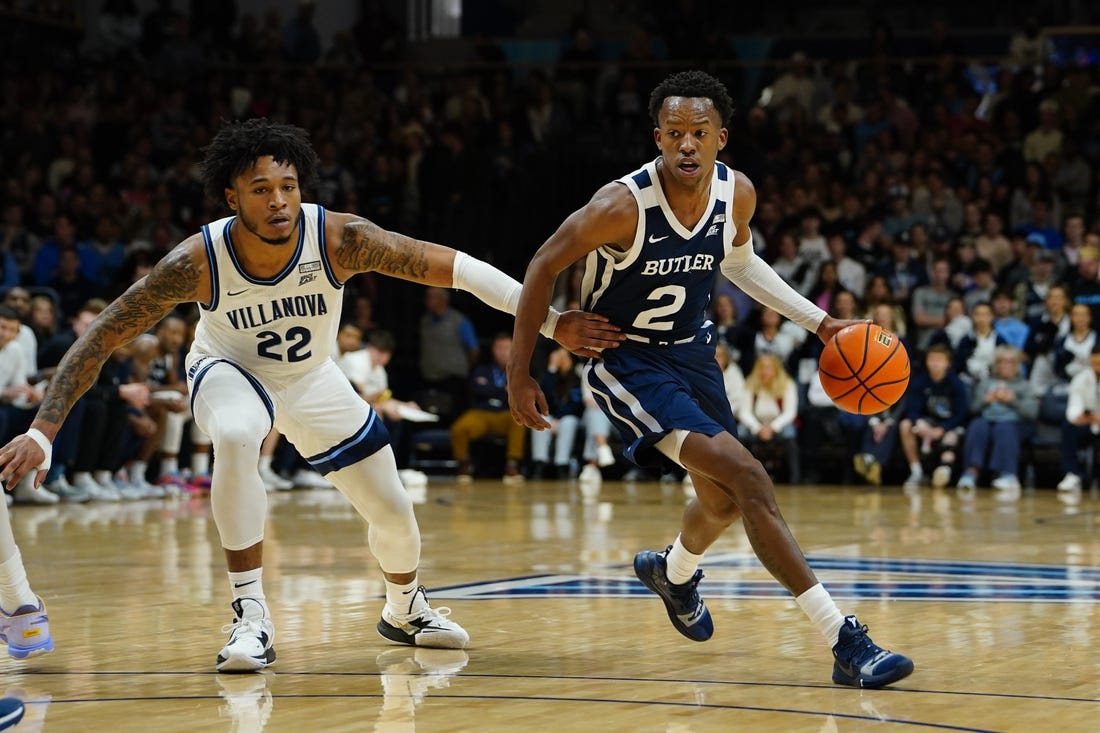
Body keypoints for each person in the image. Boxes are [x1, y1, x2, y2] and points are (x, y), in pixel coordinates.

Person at [0, 119, 617, 672]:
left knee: (395, 514)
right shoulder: (198, 261)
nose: (279, 201)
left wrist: (550, 321)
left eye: (288, 186)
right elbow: (103, 334)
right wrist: (42, 431)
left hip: (312, 376)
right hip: (227, 368)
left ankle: (404, 607)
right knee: (240, 434)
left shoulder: (340, 239)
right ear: (231, 197)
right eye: (261, 189)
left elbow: (453, 267)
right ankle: (250, 615)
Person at [505, 70, 913, 688]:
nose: (686, 145)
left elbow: (742, 264)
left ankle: (671, 572)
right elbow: (541, 263)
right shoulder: (620, 206)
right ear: (658, 138)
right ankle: (844, 640)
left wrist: (822, 323)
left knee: (721, 499)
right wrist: (526, 363)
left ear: (721, 137)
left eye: (699, 133)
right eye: (674, 133)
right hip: (629, 362)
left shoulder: (736, 194)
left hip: (695, 354)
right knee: (749, 476)